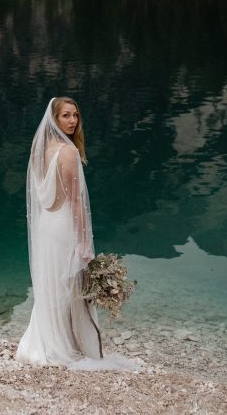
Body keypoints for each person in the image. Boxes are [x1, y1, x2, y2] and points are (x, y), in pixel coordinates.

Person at [16, 97, 139, 371]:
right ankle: (63, 345)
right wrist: (84, 241)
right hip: (63, 227)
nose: (73, 121)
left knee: (53, 285)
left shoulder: (40, 147)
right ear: (55, 119)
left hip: (46, 225)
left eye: (76, 115)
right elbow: (75, 202)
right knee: (68, 285)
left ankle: (46, 340)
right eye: (66, 116)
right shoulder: (68, 152)